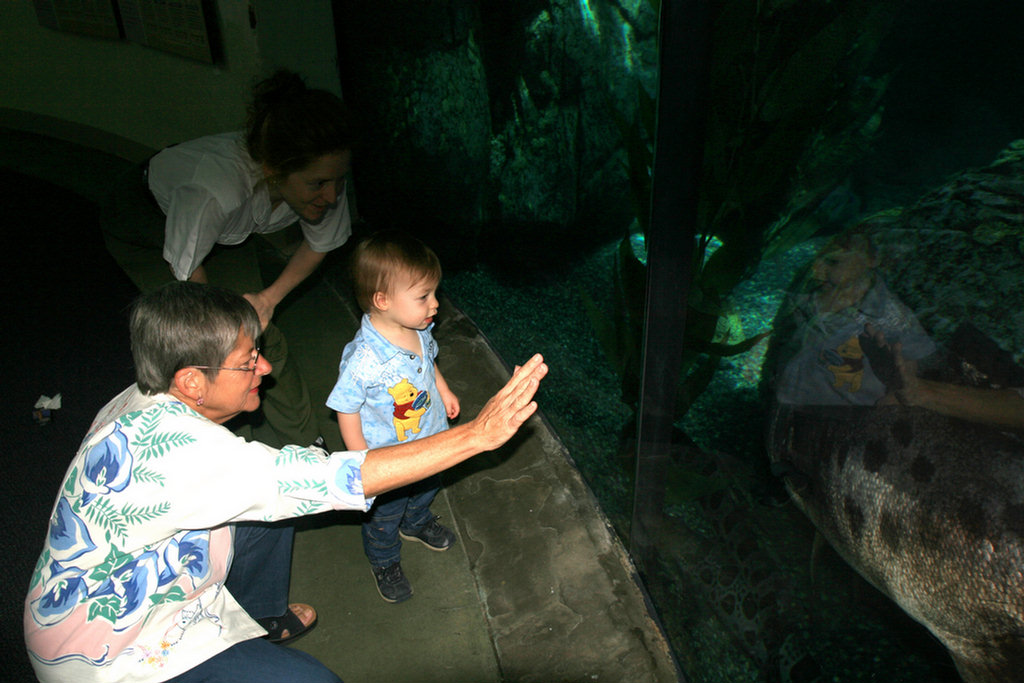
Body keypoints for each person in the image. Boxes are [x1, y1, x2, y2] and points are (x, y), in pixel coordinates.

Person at [23, 281, 547, 683]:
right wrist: (476, 435)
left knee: (271, 515)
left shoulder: (137, 396)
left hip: (102, 585)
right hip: (107, 657)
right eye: (249, 361)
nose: (267, 368)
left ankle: (262, 618)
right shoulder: (193, 458)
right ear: (191, 382)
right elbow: (338, 477)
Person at [101, 69, 354, 448]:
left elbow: (321, 242)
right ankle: (225, 448)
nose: (332, 197)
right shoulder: (215, 190)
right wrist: (228, 334)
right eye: (318, 184)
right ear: (273, 170)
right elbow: (187, 271)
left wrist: (267, 300)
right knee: (213, 358)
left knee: (264, 340)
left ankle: (307, 445)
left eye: (338, 181)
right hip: (142, 224)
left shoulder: (320, 173)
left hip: (221, 232)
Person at [326, 231, 460, 603]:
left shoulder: (419, 330)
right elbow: (345, 407)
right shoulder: (364, 359)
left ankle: (417, 523)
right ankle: (384, 559)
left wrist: (443, 390)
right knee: (384, 516)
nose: (435, 304)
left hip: (429, 439)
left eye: (434, 293)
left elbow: (428, 361)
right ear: (381, 300)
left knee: (426, 488)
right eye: (423, 297)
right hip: (386, 458)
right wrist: (363, 462)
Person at [771, 227, 936, 406]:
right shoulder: (806, 300)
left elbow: (911, 373)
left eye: (833, 262)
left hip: (847, 414)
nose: (816, 272)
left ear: (871, 260)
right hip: (790, 405)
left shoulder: (893, 317)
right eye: (814, 262)